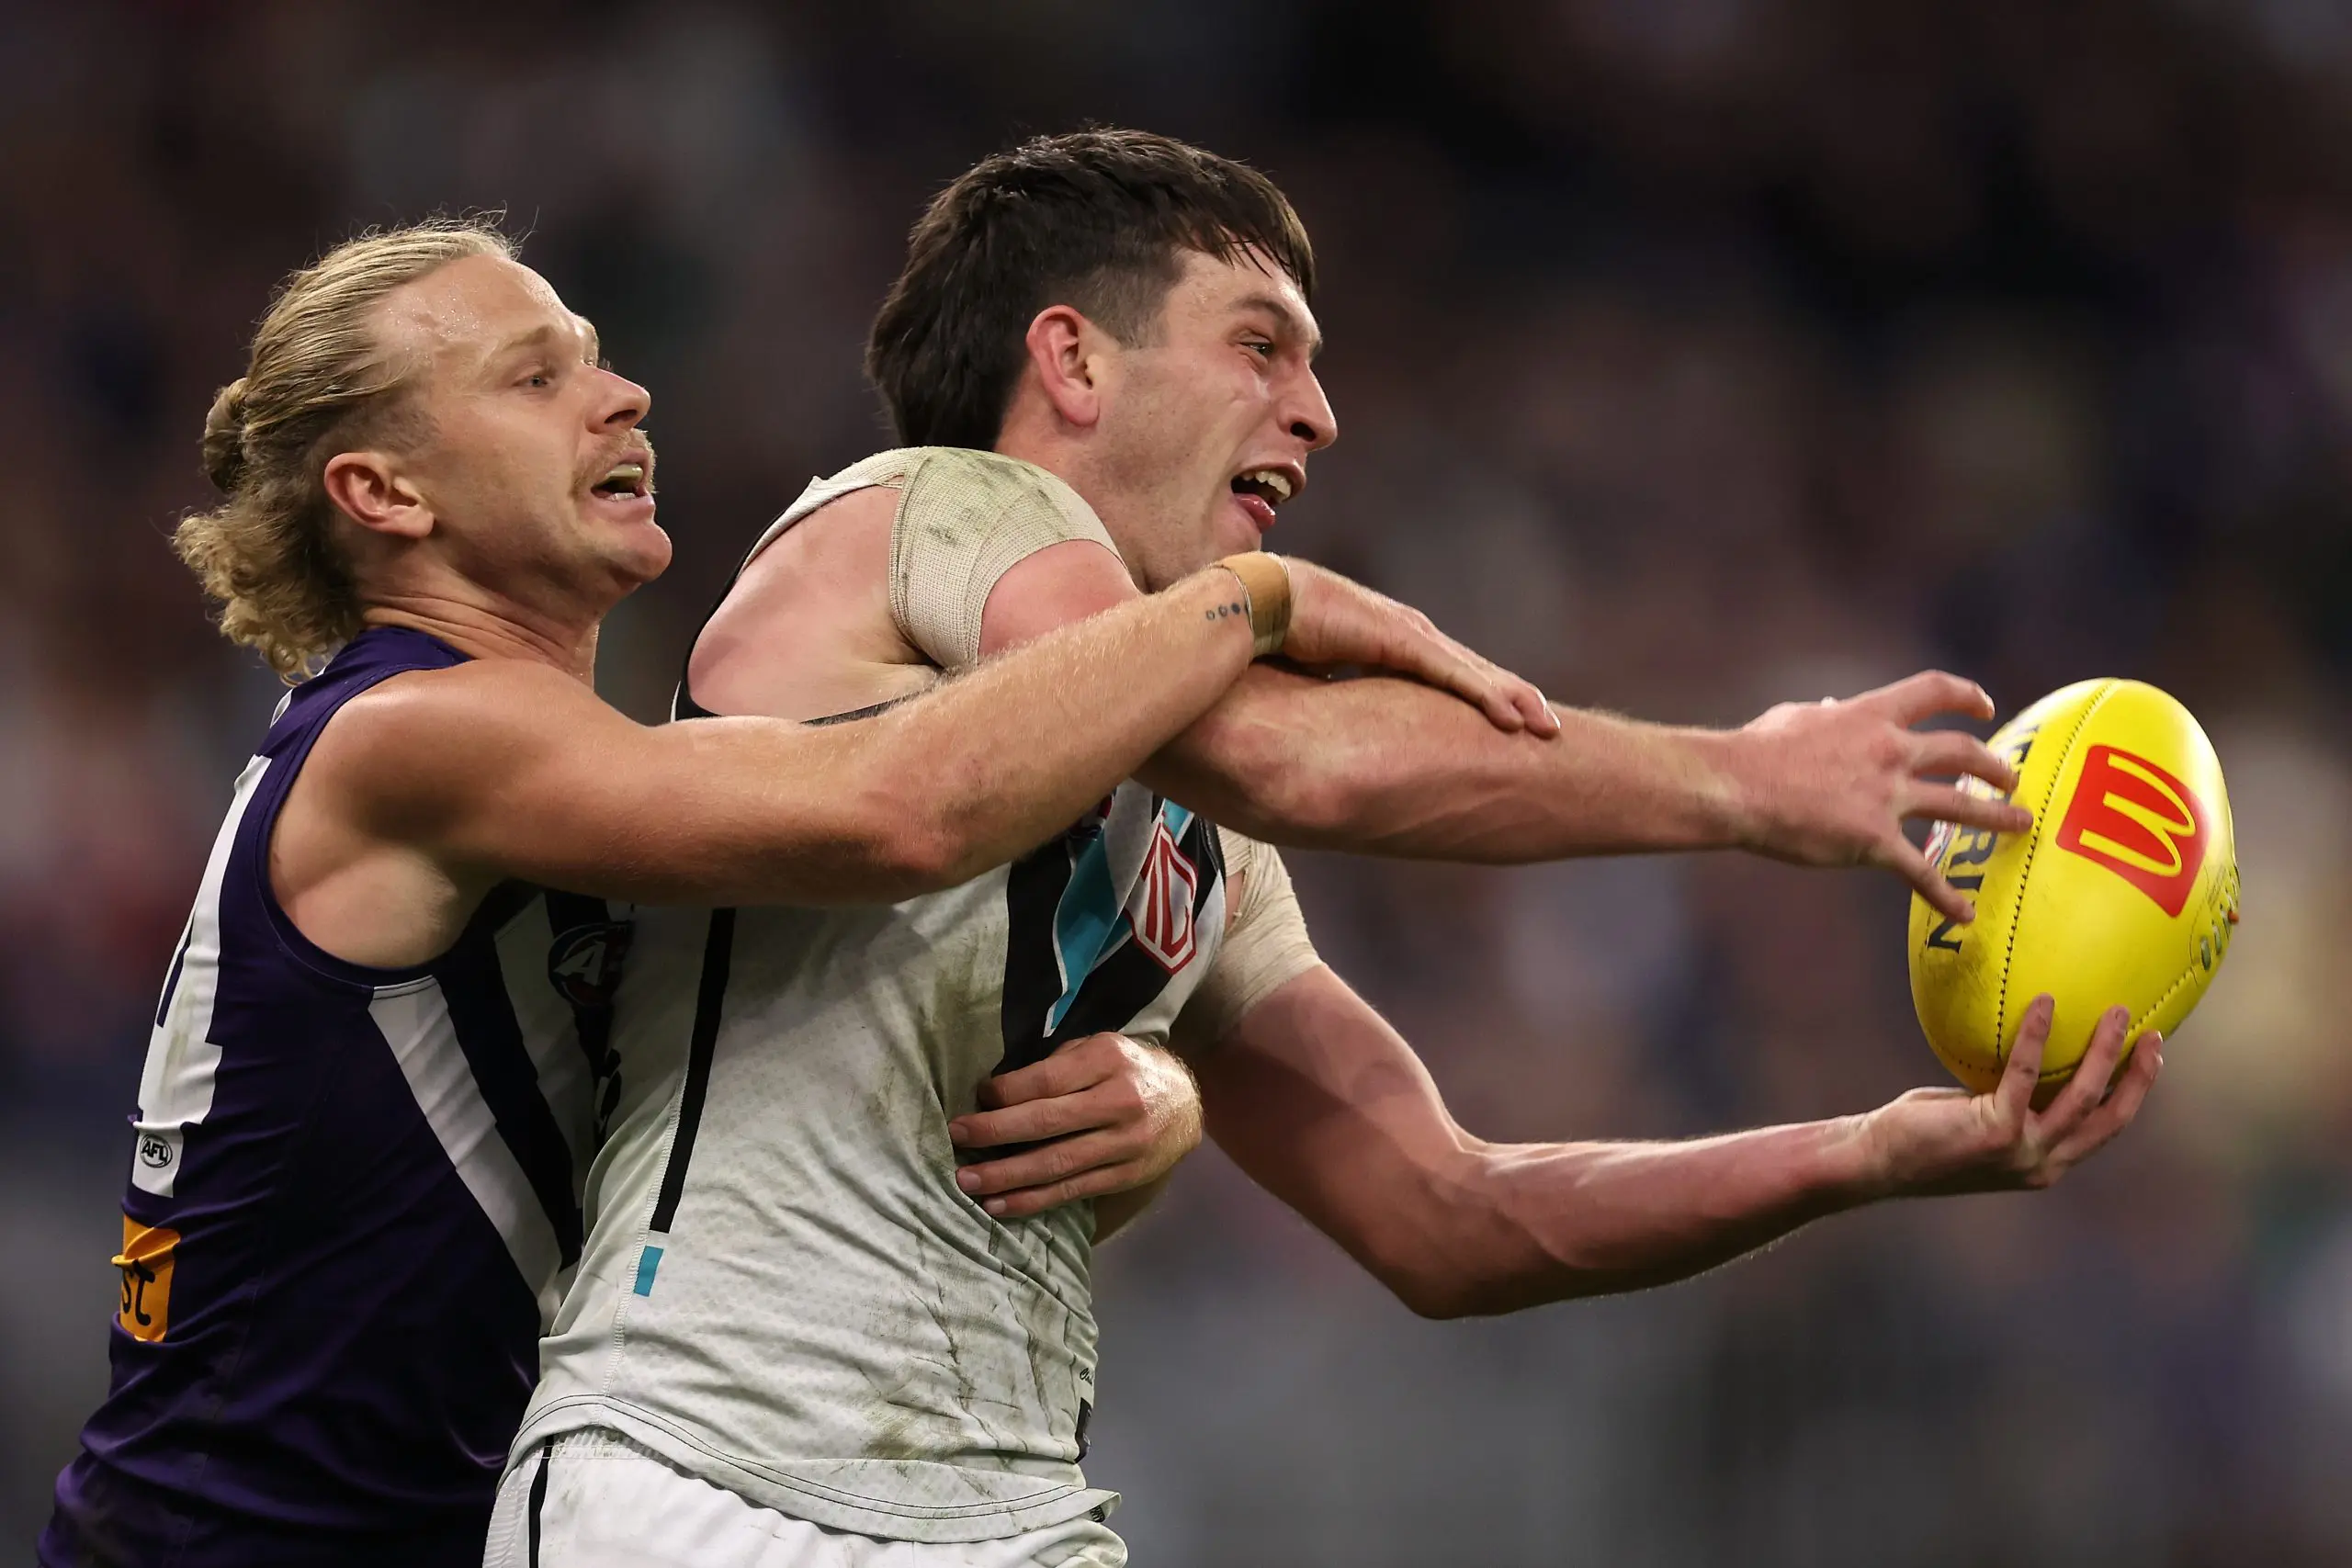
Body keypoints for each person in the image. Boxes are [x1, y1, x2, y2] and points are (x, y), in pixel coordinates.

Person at [493, 132, 2153, 1567]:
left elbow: (1452, 1215)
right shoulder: (941, 505)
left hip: (1002, 1509)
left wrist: (1868, 1151)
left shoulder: (1194, 838)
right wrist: (1744, 779)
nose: (1324, 412)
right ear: (1071, 362)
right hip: (706, 1473)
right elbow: (1288, 750)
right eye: (1262, 345)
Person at [38, 219, 1523, 1568]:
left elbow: (822, 1060)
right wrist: (1249, 603)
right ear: (384, 492)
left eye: (604, 364)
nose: (621, 400)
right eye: (534, 379)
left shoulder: (589, 784)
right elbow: (907, 810)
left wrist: (1159, 1090)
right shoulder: (416, 738)